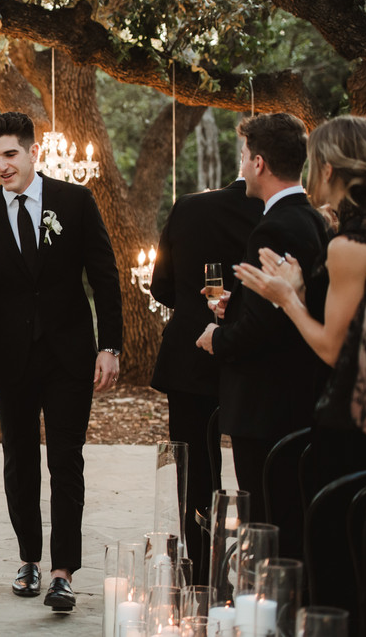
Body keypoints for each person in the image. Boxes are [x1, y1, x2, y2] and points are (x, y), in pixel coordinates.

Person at [0, 111, 122, 611]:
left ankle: (62, 572)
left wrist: (110, 347)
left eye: (10, 154)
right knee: (19, 461)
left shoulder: (75, 201)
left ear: (34, 151)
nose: (2, 166)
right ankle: (29, 559)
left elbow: (105, 276)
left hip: (69, 354)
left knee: (66, 462)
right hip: (11, 357)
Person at [196, 112, 329, 529]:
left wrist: (217, 337)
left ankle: (272, 594)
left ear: (259, 163)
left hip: (267, 408)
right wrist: (236, 304)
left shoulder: (272, 229)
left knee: (270, 523)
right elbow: (281, 307)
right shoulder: (313, 220)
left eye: (243, 155)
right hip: (299, 400)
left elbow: (261, 332)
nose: (242, 166)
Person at [233, 115, 366, 487]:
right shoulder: (342, 230)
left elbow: (333, 347)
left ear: (327, 169)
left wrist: (288, 299)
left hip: (350, 416)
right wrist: (304, 293)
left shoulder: (348, 246)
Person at [149, 178, 263, 583]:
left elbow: (160, 285)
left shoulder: (188, 207)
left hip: (189, 356)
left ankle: (199, 569)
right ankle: (257, 566)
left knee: (195, 468)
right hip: (254, 359)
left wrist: (197, 310)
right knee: (257, 469)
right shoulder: (272, 214)